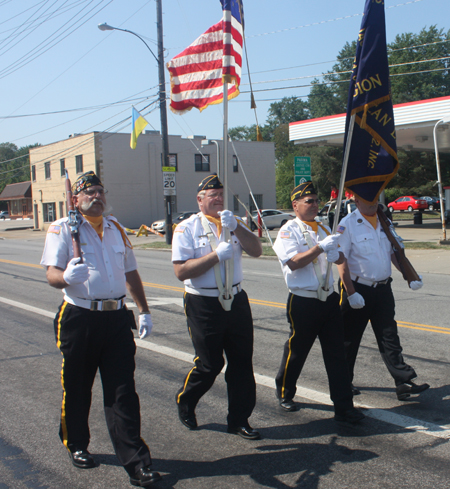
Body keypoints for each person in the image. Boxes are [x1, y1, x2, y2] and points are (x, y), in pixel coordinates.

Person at [40, 171, 161, 487]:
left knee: (123, 392)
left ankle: (137, 463)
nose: (97, 196)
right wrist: (67, 276)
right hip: (80, 318)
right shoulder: (64, 229)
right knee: (78, 387)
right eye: (90, 192)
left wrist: (144, 310)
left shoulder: (116, 228)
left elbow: (131, 272)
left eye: (101, 191)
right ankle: (77, 444)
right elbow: (52, 275)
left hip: (117, 318)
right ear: (75, 199)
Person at [172, 174, 263, 440]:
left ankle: (239, 419)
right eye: (213, 196)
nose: (219, 199)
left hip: (236, 299)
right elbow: (181, 271)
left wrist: (237, 227)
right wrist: (215, 256)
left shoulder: (233, 224)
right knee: (210, 364)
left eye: (222, 195)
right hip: (204, 302)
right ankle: (186, 400)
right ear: (200, 200)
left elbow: (256, 250)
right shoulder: (186, 228)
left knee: (241, 364)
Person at [272, 181, 364, 424]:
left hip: (329, 299)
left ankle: (344, 407)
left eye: (316, 200)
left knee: (337, 354)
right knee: (297, 350)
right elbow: (293, 262)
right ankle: (285, 391)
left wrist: (337, 254)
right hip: (303, 301)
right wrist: (320, 248)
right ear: (295, 205)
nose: (315, 205)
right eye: (308, 201)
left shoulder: (324, 228)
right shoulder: (287, 231)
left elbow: (339, 256)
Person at [337, 197, 429, 401]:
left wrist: (408, 275)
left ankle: (403, 382)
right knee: (349, 340)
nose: (372, 203)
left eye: (375, 199)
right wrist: (351, 293)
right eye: (367, 200)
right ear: (357, 201)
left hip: (383, 288)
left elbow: (393, 253)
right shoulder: (347, 224)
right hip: (358, 288)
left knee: (389, 336)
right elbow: (340, 260)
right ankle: (343, 382)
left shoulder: (384, 221)